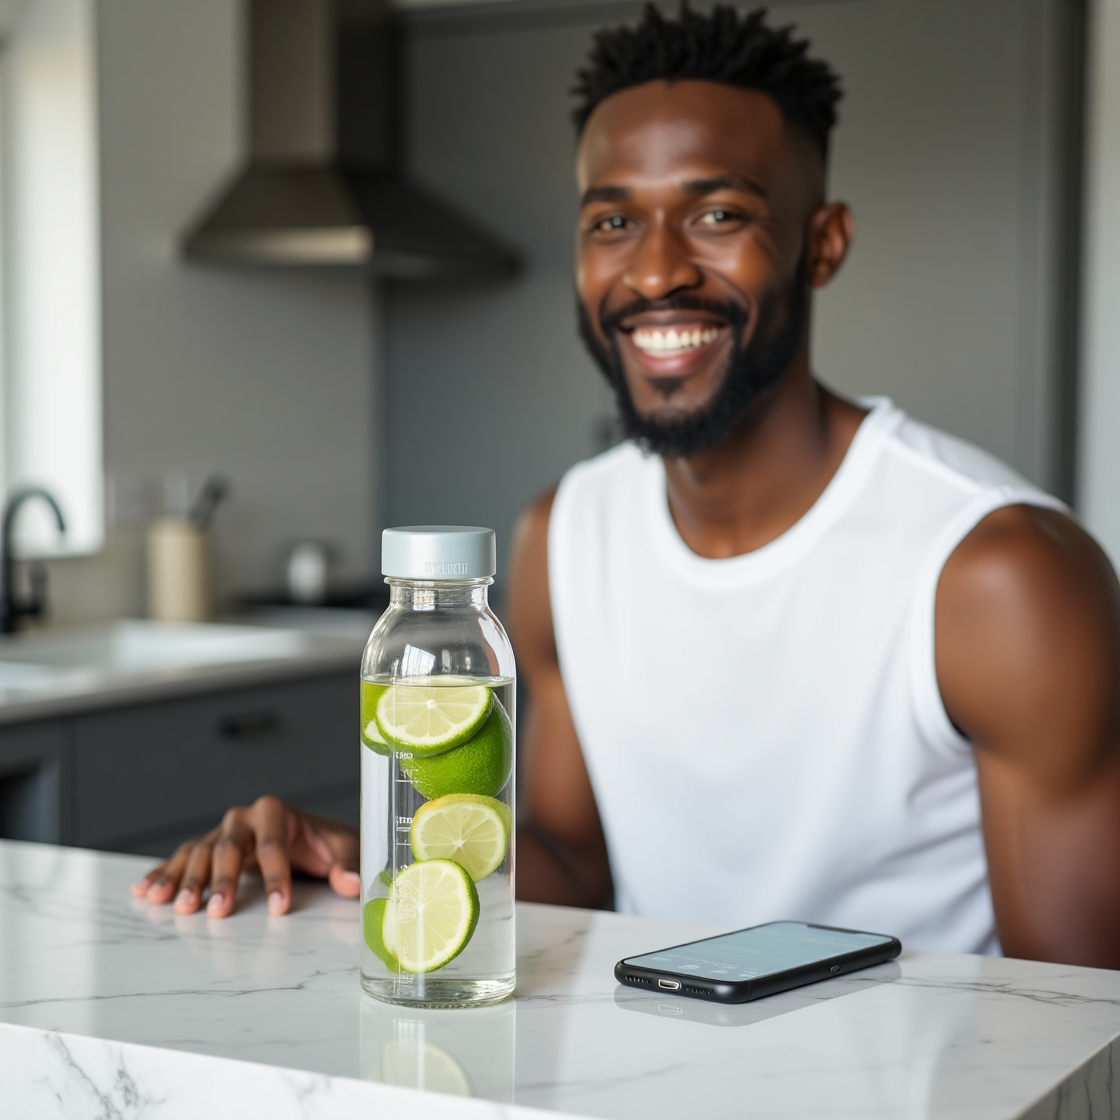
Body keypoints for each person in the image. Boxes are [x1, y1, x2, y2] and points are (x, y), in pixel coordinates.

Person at [133, 5, 1120, 966]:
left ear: (823, 243)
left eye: (717, 214)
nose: (652, 273)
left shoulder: (997, 573)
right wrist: (360, 856)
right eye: (613, 220)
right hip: (649, 1052)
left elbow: (1083, 1011)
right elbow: (571, 864)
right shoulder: (562, 533)